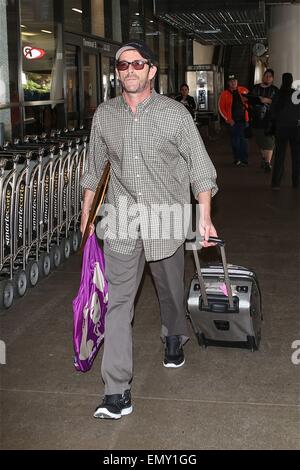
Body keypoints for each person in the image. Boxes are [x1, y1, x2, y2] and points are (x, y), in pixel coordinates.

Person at [80, 39, 218, 420]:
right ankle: (116, 390)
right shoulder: (105, 116)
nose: (130, 71)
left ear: (152, 70)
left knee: (170, 291)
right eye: (123, 66)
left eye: (137, 64)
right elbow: (95, 168)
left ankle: (174, 336)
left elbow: (200, 168)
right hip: (121, 219)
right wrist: (87, 210)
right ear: (117, 73)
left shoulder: (175, 115)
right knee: (117, 304)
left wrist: (203, 215)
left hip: (167, 218)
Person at [270, 73, 300, 189]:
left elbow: (272, 112)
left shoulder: (278, 94)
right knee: (296, 156)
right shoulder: (296, 94)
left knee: (279, 156)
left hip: (281, 129)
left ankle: (276, 183)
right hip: (295, 129)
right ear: (292, 81)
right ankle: (296, 182)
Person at [248, 69, 279, 172]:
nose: (268, 77)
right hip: (256, 119)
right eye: (266, 75)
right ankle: (265, 159)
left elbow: (279, 104)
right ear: (263, 76)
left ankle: (267, 163)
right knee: (260, 141)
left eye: (270, 76)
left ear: (272, 79)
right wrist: (247, 99)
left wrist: (269, 101)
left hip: (269, 120)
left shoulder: (275, 90)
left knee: (270, 142)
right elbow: (249, 100)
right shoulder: (255, 88)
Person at [218, 74, 249, 166]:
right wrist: (228, 119)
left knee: (244, 141)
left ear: (237, 82)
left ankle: (244, 160)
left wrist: (247, 100)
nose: (233, 83)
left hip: (244, 120)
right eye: (231, 81)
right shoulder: (224, 94)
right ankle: (237, 158)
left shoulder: (244, 90)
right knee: (235, 141)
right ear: (228, 83)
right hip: (233, 122)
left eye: (235, 81)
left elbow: (252, 103)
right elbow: (220, 107)